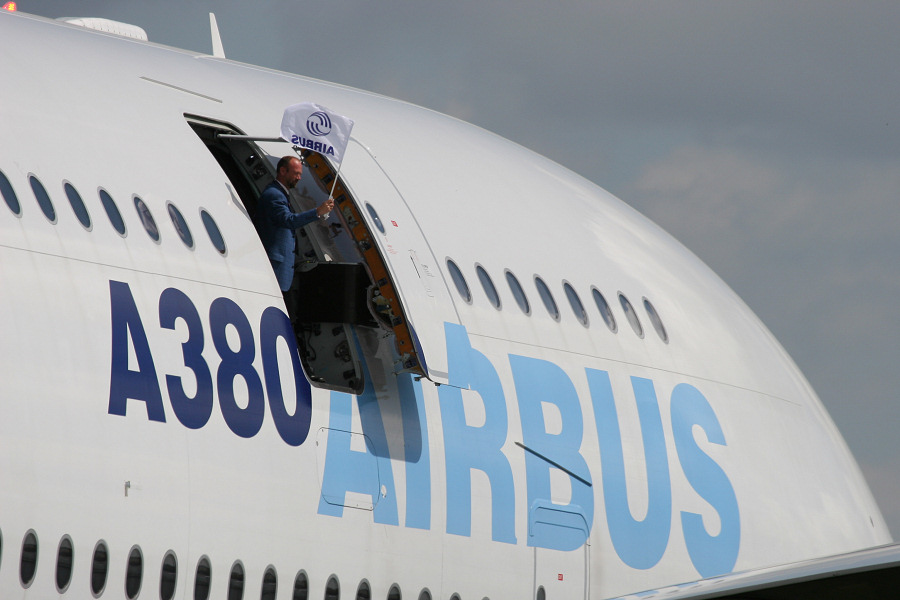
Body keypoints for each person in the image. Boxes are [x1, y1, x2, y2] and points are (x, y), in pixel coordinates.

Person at [255, 156, 334, 301]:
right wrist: (317, 212)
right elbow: (288, 221)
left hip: (283, 269)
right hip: (275, 268)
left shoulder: (281, 193)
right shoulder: (274, 194)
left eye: (300, 174)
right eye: (296, 173)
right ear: (283, 171)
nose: (299, 178)